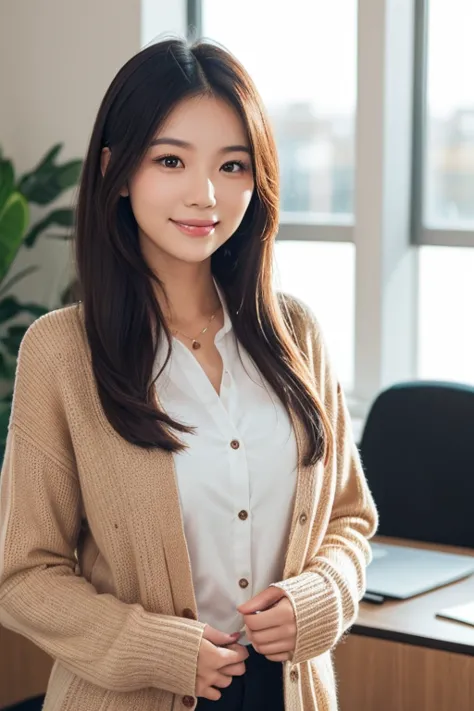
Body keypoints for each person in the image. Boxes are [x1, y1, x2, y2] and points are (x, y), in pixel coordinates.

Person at [0, 37, 378, 711]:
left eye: (232, 165)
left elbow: (349, 519)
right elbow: (23, 575)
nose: (205, 194)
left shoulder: (297, 334)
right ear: (117, 170)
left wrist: (319, 598)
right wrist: (157, 648)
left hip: (289, 692)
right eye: (171, 159)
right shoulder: (59, 354)